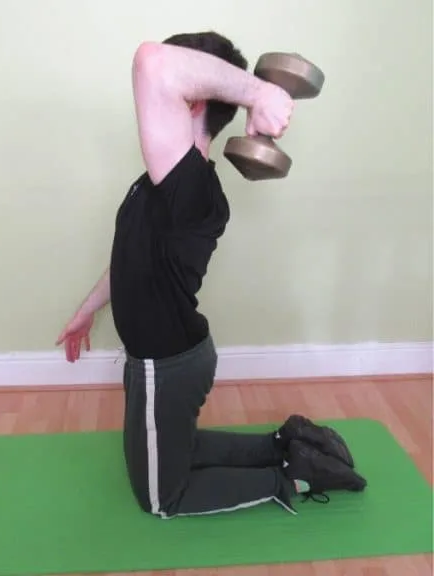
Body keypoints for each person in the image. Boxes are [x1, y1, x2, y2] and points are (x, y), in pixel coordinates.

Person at [56, 31, 367, 518]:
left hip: (169, 362)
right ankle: (288, 443)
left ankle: (294, 479)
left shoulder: (192, 188)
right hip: (158, 359)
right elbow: (132, 260)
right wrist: (87, 310)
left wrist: (260, 93)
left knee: (161, 498)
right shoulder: (160, 182)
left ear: (194, 97)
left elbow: (151, 62)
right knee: (176, 453)